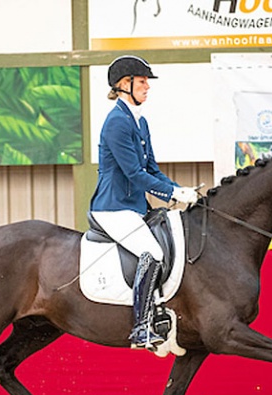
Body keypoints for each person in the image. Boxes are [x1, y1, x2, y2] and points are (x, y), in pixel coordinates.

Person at [89, 55, 198, 349]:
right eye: (142, 81)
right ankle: (141, 327)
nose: (148, 86)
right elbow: (134, 174)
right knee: (152, 251)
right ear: (125, 85)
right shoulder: (116, 123)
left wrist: (179, 189)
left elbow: (152, 170)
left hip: (136, 208)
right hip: (113, 207)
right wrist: (172, 195)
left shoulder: (140, 121)